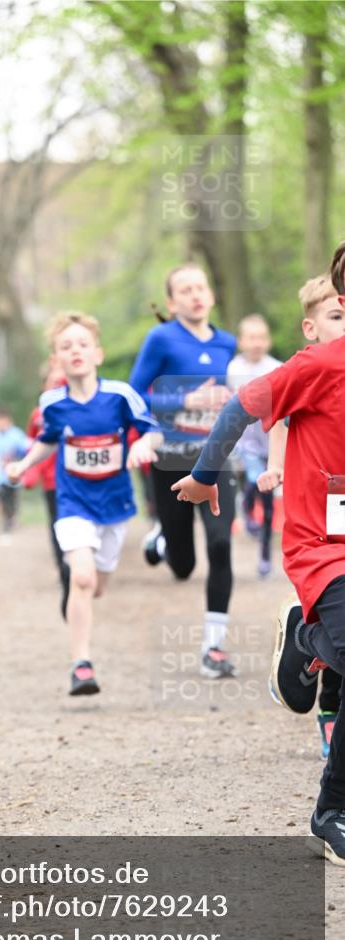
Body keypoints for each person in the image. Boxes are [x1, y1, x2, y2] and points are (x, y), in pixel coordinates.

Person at [171, 270, 345, 866]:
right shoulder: (319, 365)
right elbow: (242, 406)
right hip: (325, 542)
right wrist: (203, 474)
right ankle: (334, 810)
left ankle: (308, 640)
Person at [7, 311, 162, 696]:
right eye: (65, 346)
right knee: (81, 576)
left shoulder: (120, 395)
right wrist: (25, 464)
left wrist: (142, 444)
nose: (75, 351)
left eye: (82, 344)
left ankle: (83, 597)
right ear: (56, 360)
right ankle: (81, 665)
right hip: (73, 502)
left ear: (97, 353)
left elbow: (153, 432)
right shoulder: (52, 402)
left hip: (114, 506)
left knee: (97, 585)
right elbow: (49, 438)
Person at [129, 264, 237, 679]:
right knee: (184, 566)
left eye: (200, 287)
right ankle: (162, 536)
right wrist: (184, 399)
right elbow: (136, 396)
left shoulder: (228, 343)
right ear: (173, 303)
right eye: (185, 290)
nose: (195, 295)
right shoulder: (161, 339)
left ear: (210, 295)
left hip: (215, 457)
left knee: (221, 543)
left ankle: (214, 647)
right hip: (171, 458)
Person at [255, 277, 344, 760]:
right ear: (310, 328)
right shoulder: (306, 371)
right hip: (319, 520)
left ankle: (312, 653)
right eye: (336, 318)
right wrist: (274, 468)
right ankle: (328, 710)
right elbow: (277, 421)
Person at [226, 314, 282, 577]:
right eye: (251, 337)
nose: (257, 343)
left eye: (261, 337)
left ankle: (264, 554)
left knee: (269, 500)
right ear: (241, 341)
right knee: (253, 477)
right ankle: (247, 510)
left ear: (268, 341)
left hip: (271, 440)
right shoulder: (233, 369)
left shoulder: (277, 368)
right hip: (245, 442)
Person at [22, 363, 67, 579]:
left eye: (61, 382)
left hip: (78, 478)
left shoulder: (79, 407)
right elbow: (32, 443)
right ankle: (63, 568)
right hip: (51, 480)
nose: (57, 386)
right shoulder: (37, 415)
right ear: (44, 386)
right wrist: (30, 473)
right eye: (53, 383)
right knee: (57, 523)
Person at [0, 409, 29, 542]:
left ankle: (12, 518)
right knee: (0, 497)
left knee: (12, 498)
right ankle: (4, 522)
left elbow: (24, 451)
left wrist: (17, 458)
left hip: (13, 472)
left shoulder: (17, 434)